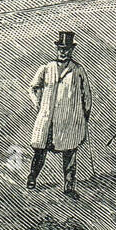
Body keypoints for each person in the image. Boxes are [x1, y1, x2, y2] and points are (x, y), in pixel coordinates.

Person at [27, 30, 92, 200]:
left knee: (70, 152)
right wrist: (39, 105)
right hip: (48, 119)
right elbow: (33, 88)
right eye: (61, 48)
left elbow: (87, 95)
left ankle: (69, 186)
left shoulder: (78, 70)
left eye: (67, 49)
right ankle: (32, 177)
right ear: (57, 49)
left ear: (72, 50)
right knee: (40, 151)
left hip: (68, 120)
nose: (64, 52)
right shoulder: (47, 68)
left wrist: (84, 114)